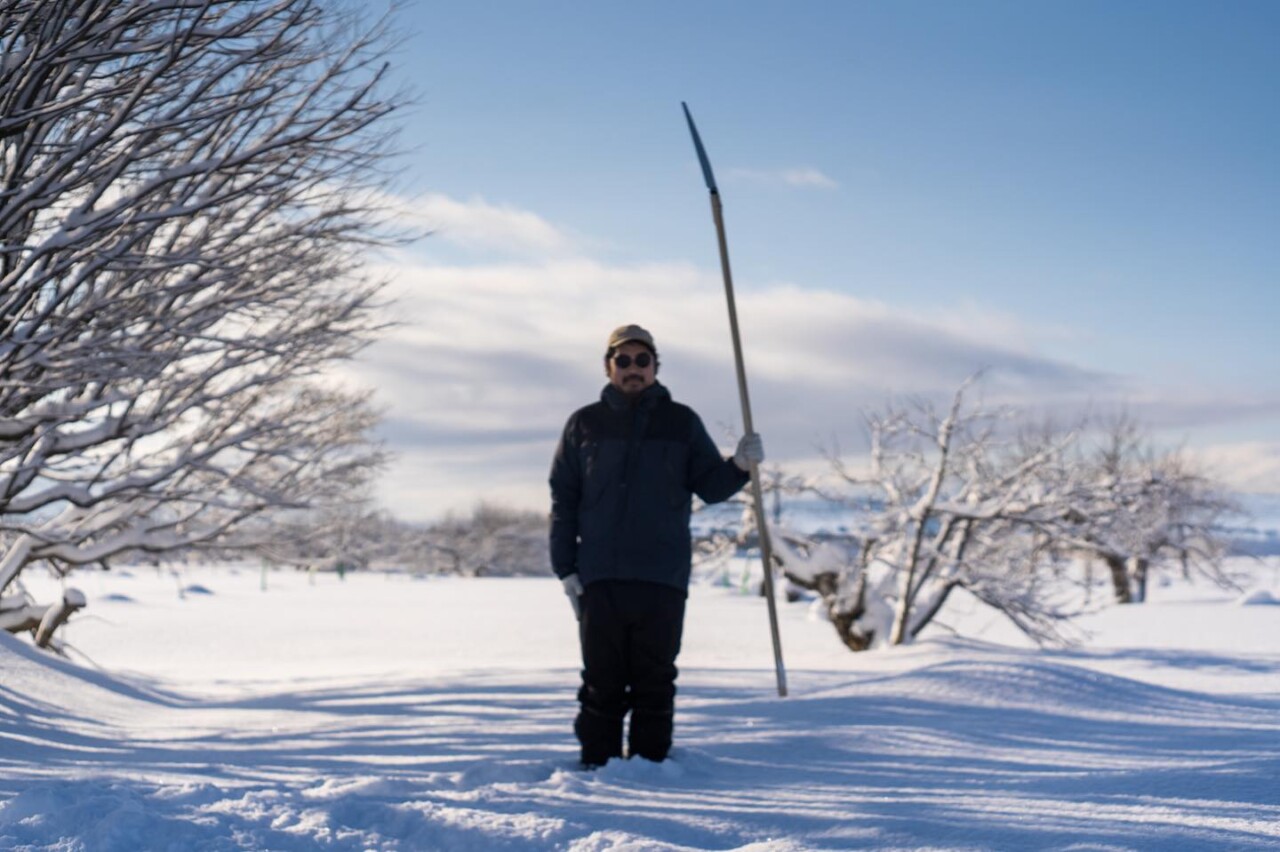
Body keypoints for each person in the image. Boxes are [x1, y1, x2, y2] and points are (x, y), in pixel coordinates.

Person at [549, 323, 764, 768]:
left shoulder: (681, 422)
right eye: (622, 360)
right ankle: (596, 765)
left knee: (655, 679)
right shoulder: (584, 424)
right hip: (600, 575)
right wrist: (565, 568)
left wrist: (741, 465)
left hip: (661, 576)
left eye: (641, 360)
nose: (633, 369)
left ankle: (650, 766)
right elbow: (563, 498)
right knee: (601, 680)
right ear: (608, 367)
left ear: (655, 366)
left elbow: (711, 485)